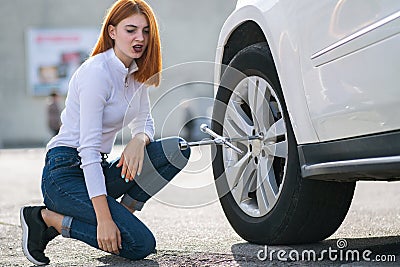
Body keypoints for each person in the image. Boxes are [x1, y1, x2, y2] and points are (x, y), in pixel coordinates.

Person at [19, 0, 191, 265]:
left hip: (98, 169)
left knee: (176, 150)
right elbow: (86, 150)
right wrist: (104, 219)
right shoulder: (96, 73)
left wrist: (138, 139)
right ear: (112, 32)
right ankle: (47, 219)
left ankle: (126, 211)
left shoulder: (135, 75)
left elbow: (145, 123)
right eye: (130, 30)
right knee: (140, 244)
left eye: (145, 31)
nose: (140, 38)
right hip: (64, 174)